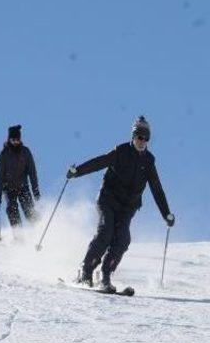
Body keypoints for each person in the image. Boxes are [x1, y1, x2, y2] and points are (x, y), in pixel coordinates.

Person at [67, 116, 175, 292]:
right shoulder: (121, 151)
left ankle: (105, 276)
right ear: (133, 137)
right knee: (106, 232)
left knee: (123, 240)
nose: (142, 141)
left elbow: (156, 188)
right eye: (139, 137)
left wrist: (166, 214)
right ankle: (85, 271)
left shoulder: (149, 161)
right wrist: (76, 172)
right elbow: (99, 162)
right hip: (108, 200)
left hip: (128, 207)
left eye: (146, 138)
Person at [0, 125, 40, 227]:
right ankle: (18, 234)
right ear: (9, 140)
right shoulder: (3, 155)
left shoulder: (25, 152)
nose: (15, 142)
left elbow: (32, 172)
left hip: (23, 186)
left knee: (29, 212)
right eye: (13, 140)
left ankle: (40, 227)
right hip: (9, 188)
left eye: (17, 140)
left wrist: (35, 189)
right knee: (12, 209)